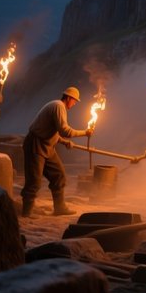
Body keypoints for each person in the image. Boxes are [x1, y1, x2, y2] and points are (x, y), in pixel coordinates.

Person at [21, 86, 91, 218]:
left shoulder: (58, 107)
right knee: (34, 181)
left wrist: (64, 142)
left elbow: (54, 132)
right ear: (69, 98)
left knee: (58, 175)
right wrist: (84, 133)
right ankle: (27, 211)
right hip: (36, 144)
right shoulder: (58, 106)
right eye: (74, 101)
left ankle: (59, 207)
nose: (74, 104)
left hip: (47, 146)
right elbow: (65, 131)